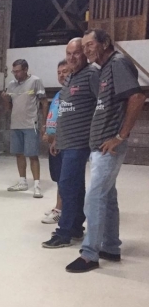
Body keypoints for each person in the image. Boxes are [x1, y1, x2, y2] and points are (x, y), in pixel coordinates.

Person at [66, 29, 146, 273]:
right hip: (100, 144)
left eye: (90, 45)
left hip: (109, 147)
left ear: (105, 43)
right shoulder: (105, 68)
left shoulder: (118, 63)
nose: (87, 50)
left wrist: (120, 136)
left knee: (95, 197)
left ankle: (89, 254)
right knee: (108, 198)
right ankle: (111, 247)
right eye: (84, 46)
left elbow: (137, 98)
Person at [42, 38, 99, 249]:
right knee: (75, 186)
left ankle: (63, 233)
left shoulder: (92, 74)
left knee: (66, 185)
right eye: (68, 53)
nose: (72, 57)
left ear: (84, 53)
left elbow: (103, 103)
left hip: (79, 141)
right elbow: (64, 112)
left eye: (76, 53)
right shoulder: (70, 79)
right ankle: (75, 226)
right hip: (64, 141)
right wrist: (57, 138)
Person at [2, 59, 48, 198]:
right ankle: (22, 181)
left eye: (18, 71)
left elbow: (44, 103)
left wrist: (44, 124)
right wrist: (5, 99)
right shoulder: (11, 85)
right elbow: (8, 108)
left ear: (26, 69)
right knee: (19, 154)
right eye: (13, 72)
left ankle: (37, 185)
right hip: (16, 125)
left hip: (30, 124)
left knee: (33, 155)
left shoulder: (35, 81)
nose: (15, 74)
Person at [41, 59, 71, 224]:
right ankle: (58, 206)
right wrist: (48, 129)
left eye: (65, 72)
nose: (61, 75)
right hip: (54, 143)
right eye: (59, 72)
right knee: (58, 178)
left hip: (64, 143)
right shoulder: (60, 93)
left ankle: (60, 210)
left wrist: (57, 137)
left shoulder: (72, 93)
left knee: (64, 179)